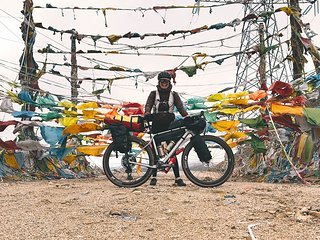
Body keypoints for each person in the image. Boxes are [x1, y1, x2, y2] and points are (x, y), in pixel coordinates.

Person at [144, 71, 188, 186]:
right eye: (162, 81)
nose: (164, 83)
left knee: (172, 150)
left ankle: (177, 178)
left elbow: (180, 108)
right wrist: (147, 113)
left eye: (166, 81)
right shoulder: (153, 94)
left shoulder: (174, 95)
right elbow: (148, 105)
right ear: (159, 82)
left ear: (169, 82)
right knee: (154, 151)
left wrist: (187, 117)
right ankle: (153, 177)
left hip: (169, 124)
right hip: (156, 124)